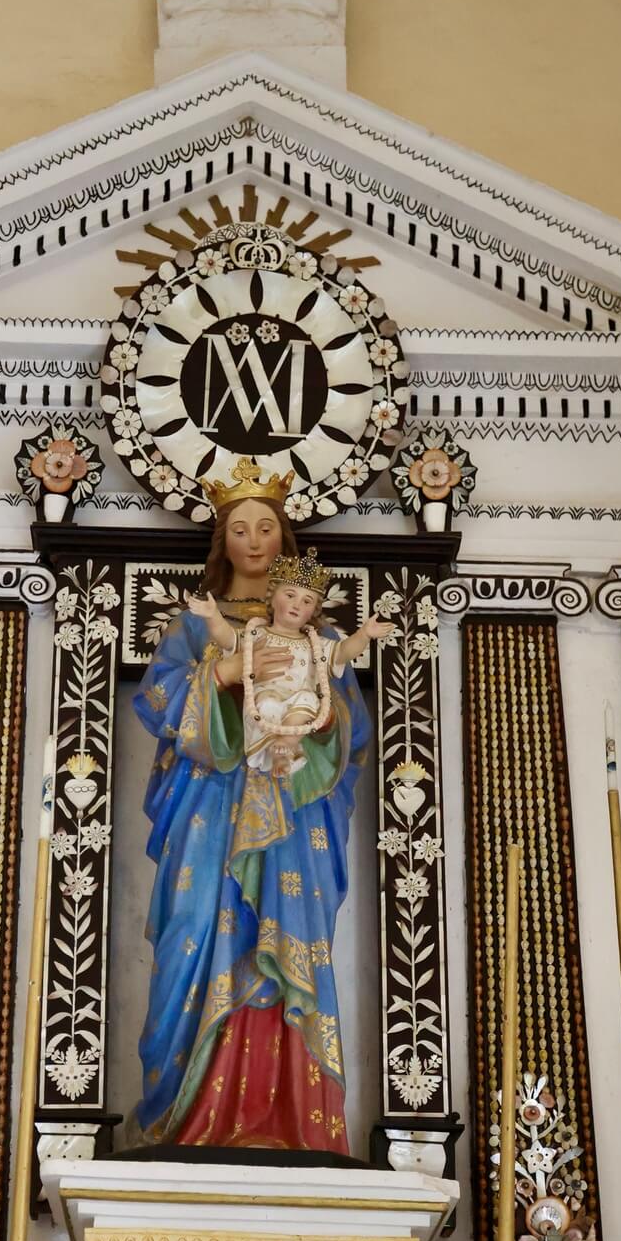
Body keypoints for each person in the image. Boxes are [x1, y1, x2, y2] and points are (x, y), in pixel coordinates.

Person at [131, 458, 371, 1155]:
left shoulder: (319, 638)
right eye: (241, 528)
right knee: (194, 933)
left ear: (285, 537)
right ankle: (190, 1116)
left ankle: (292, 1122)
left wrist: (318, 716)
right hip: (208, 809)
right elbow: (156, 701)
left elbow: (346, 729)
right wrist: (227, 671)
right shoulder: (193, 625)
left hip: (293, 816)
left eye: (268, 527)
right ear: (222, 540)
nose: (256, 540)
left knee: (283, 935)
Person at [188, 547, 393, 777]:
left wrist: (364, 634)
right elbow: (226, 637)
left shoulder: (316, 644)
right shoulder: (256, 634)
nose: (297, 605)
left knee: (307, 699)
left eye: (307, 601)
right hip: (264, 702)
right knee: (267, 704)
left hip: (297, 708)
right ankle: (278, 754)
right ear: (272, 599)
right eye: (289, 595)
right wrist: (212, 616)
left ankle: (287, 746)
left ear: (313, 612)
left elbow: (344, 651)